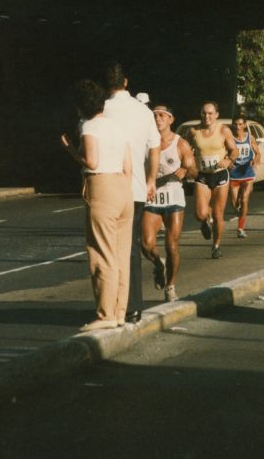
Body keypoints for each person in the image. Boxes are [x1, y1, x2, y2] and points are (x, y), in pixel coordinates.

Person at [61, 80, 133, 331]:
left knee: (102, 252)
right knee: (122, 254)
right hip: (123, 186)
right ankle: (120, 311)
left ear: (81, 106)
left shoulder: (89, 126)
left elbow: (91, 161)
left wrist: (70, 150)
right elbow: (128, 164)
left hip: (101, 186)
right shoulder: (116, 126)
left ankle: (105, 315)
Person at [102, 62, 160, 323]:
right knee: (131, 247)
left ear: (107, 85)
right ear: (126, 82)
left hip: (107, 187)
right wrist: (150, 180)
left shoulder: (100, 110)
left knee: (107, 249)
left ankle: (111, 304)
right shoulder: (144, 112)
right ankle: (133, 306)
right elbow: (154, 149)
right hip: (135, 187)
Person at [141, 105, 196, 303]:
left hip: (173, 196)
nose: (158, 119)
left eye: (162, 115)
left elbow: (194, 172)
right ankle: (158, 264)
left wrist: (185, 170)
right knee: (146, 244)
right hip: (152, 195)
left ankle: (171, 286)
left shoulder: (180, 144)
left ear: (170, 119)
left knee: (172, 245)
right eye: (154, 115)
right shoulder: (145, 141)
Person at [188, 102, 238, 259]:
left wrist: (228, 161)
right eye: (203, 113)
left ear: (216, 114)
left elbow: (234, 151)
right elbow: (184, 149)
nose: (206, 116)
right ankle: (204, 222)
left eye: (210, 113)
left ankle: (216, 246)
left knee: (218, 214)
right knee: (199, 213)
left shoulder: (223, 130)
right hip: (203, 175)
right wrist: (187, 165)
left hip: (220, 175)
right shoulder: (194, 131)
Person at [229, 115, 261, 238]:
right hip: (234, 174)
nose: (238, 127)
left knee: (244, 199)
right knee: (235, 203)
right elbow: (225, 154)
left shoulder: (250, 137)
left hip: (247, 172)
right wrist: (228, 162)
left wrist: (255, 160)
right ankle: (240, 211)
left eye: (240, 124)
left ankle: (241, 228)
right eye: (235, 124)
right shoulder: (230, 139)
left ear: (244, 125)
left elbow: (258, 153)